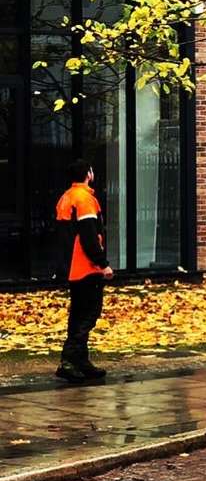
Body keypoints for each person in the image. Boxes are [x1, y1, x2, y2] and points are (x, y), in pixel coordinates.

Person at [55, 159, 113, 383]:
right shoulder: (85, 200)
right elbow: (89, 237)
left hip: (72, 267)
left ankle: (80, 361)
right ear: (88, 174)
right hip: (86, 268)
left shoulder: (66, 198)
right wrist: (102, 263)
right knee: (88, 314)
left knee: (78, 314)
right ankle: (70, 361)